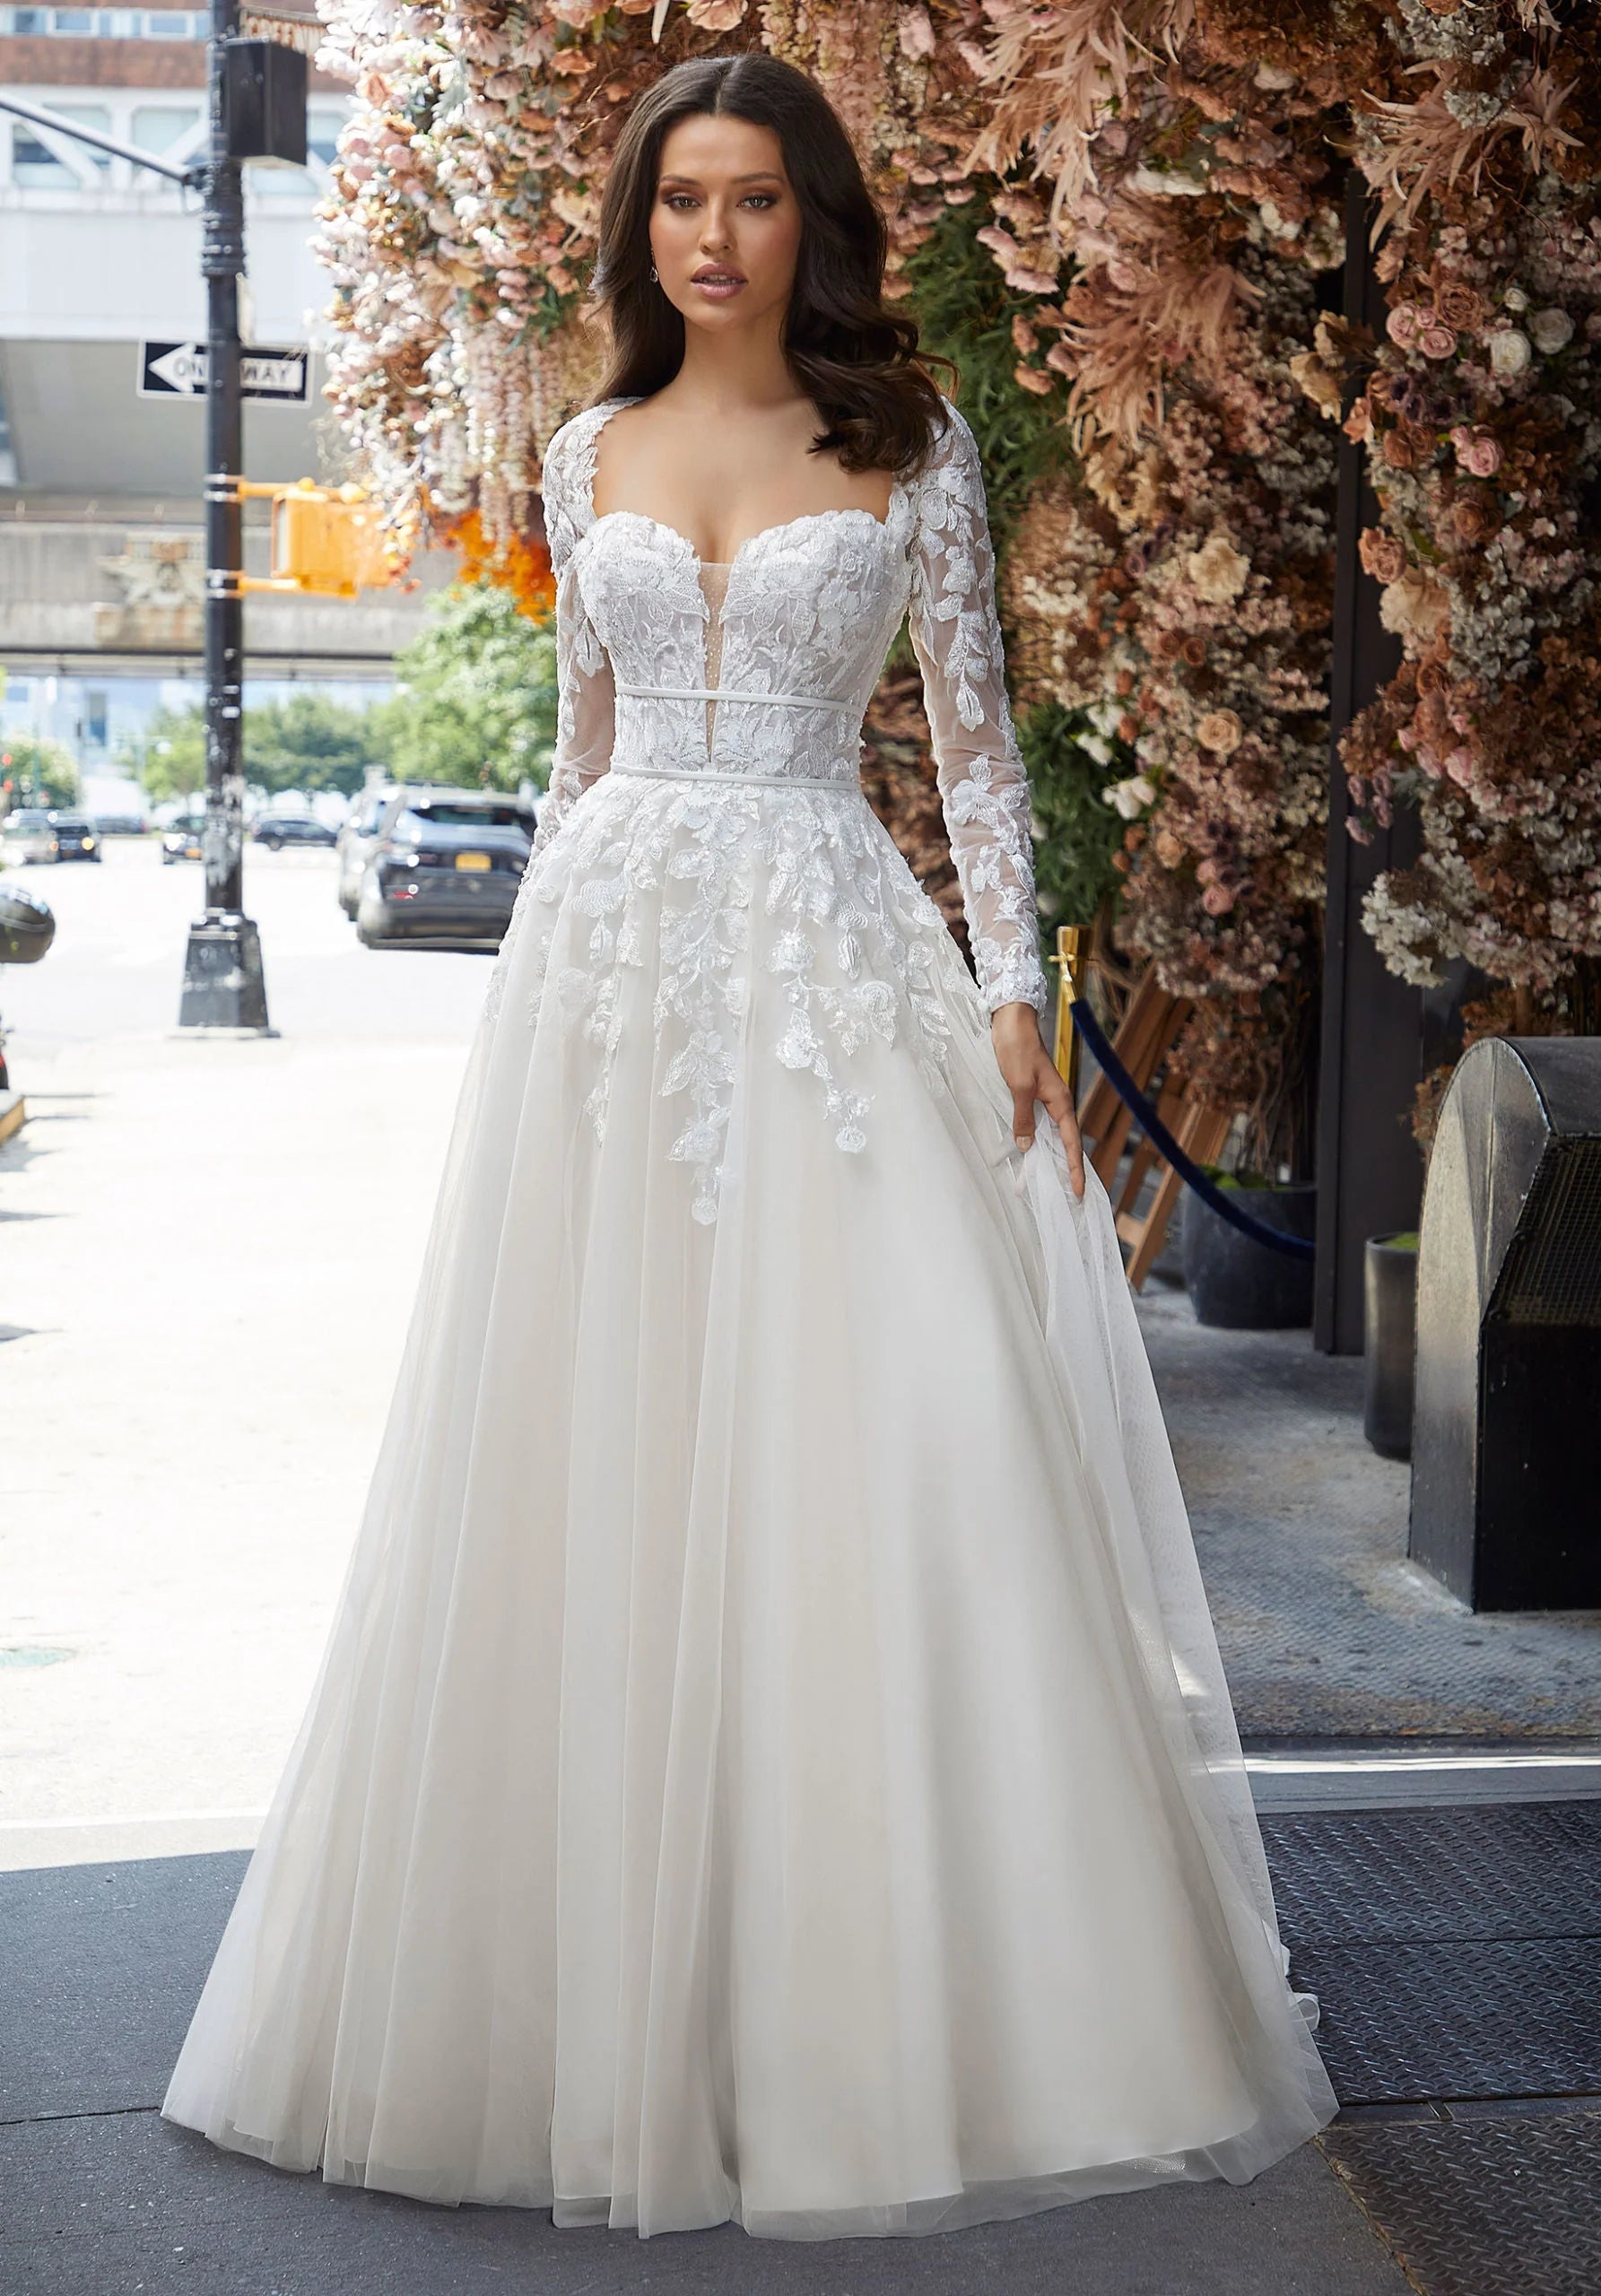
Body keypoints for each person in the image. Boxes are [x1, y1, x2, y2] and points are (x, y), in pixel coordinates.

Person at [161, 51, 1338, 2240]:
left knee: (878, 1442)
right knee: (580, 1456)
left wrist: (1014, 994)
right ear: (642, 228)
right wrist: (531, 970)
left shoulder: (905, 442)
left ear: (815, 221)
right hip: (602, 980)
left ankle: (884, 1993)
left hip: (825, 953)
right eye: (682, 200)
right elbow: (574, 751)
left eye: (756, 199)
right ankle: (566, 1992)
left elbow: (971, 743)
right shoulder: (584, 435)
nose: (715, 235)